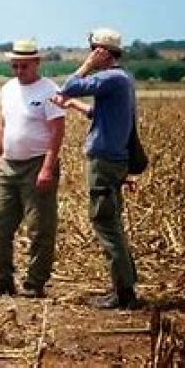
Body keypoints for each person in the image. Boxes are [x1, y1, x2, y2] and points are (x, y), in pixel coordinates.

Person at [51, 27, 139, 310]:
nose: (89, 54)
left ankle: (123, 292)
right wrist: (73, 105)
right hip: (115, 159)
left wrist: (86, 67)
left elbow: (69, 85)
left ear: (101, 52)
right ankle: (125, 284)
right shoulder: (123, 79)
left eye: (92, 50)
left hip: (104, 161)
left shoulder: (110, 77)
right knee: (112, 222)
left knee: (105, 223)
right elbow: (100, 114)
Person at [0, 40, 66, 298]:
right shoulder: (7, 89)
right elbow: (3, 126)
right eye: (15, 66)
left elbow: (57, 131)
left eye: (24, 66)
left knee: (39, 227)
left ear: (37, 63)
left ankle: (35, 282)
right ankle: (2, 279)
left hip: (37, 163)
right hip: (8, 163)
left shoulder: (49, 91)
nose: (19, 71)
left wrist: (48, 168)